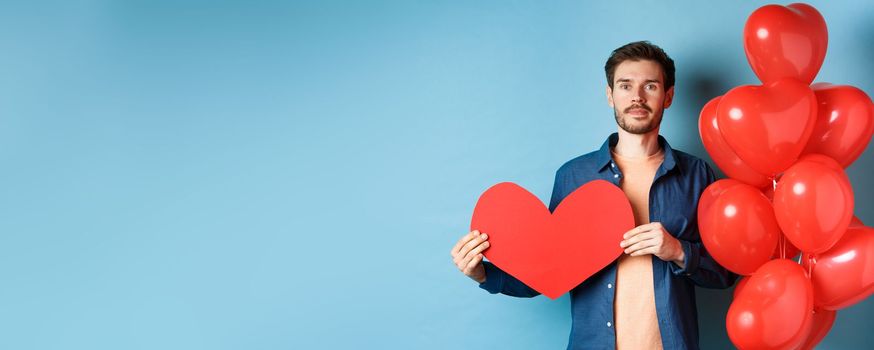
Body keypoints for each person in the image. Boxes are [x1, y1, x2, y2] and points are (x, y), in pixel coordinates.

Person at [450, 41, 737, 350]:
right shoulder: (574, 176)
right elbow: (545, 271)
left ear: (668, 96)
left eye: (650, 86)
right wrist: (483, 274)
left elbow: (723, 273)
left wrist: (678, 251)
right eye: (625, 86)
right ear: (610, 95)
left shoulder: (696, 175)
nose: (637, 97)